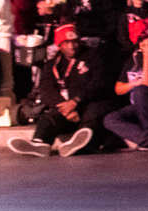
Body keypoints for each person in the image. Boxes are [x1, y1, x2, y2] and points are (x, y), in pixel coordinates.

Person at [6, 24, 105, 156]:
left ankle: (81, 145)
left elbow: (99, 82)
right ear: (59, 45)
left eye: (74, 41)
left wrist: (76, 101)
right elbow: (46, 89)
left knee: (93, 115)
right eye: (66, 43)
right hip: (66, 109)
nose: (71, 46)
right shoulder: (52, 64)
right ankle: (39, 143)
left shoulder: (93, 57)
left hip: (86, 104)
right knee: (48, 118)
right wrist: (64, 107)